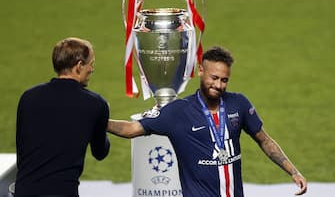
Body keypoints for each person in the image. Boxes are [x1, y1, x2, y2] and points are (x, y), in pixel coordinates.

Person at [107, 46, 307, 197]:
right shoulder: (178, 112)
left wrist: (293, 171)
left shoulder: (239, 104)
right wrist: (98, 119)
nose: (219, 85)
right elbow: (131, 129)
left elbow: (264, 140)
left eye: (224, 80)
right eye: (214, 77)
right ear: (201, 70)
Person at [15, 37, 110, 196]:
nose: (92, 69)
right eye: (91, 64)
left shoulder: (28, 97)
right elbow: (100, 152)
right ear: (79, 66)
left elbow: (21, 152)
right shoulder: (96, 104)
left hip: (25, 191)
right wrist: (100, 123)